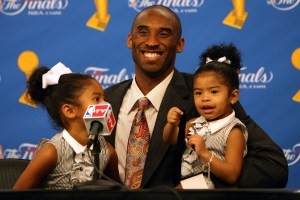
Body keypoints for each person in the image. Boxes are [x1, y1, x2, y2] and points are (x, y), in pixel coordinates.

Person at [104, 5, 288, 188]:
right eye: (143, 32)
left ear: (180, 44)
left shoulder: (207, 95)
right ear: (130, 40)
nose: (152, 42)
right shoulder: (106, 99)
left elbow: (272, 166)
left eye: (164, 34)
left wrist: (196, 187)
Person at [13, 62, 120, 189]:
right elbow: (16, 194)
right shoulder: (51, 153)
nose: (105, 104)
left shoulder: (107, 152)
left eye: (104, 98)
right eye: (96, 99)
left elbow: (119, 193)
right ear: (69, 111)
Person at [163, 43, 248, 189]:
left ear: (233, 96)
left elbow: (232, 174)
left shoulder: (234, 132)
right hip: (187, 182)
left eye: (214, 92)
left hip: (214, 186)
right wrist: (171, 125)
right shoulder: (193, 123)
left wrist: (204, 153)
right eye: (198, 93)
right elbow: (169, 139)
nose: (205, 98)